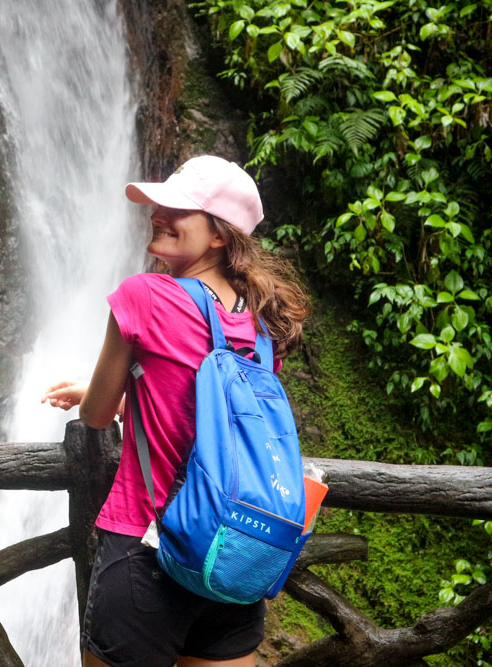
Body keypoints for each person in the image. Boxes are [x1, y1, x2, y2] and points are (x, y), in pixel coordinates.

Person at [41, 155, 310, 667]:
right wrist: (133, 399)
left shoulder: (143, 296)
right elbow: (209, 412)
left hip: (150, 552)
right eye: (159, 203)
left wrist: (103, 396)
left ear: (218, 235)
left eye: (179, 208)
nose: (158, 213)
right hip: (233, 558)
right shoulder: (262, 322)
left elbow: (96, 417)